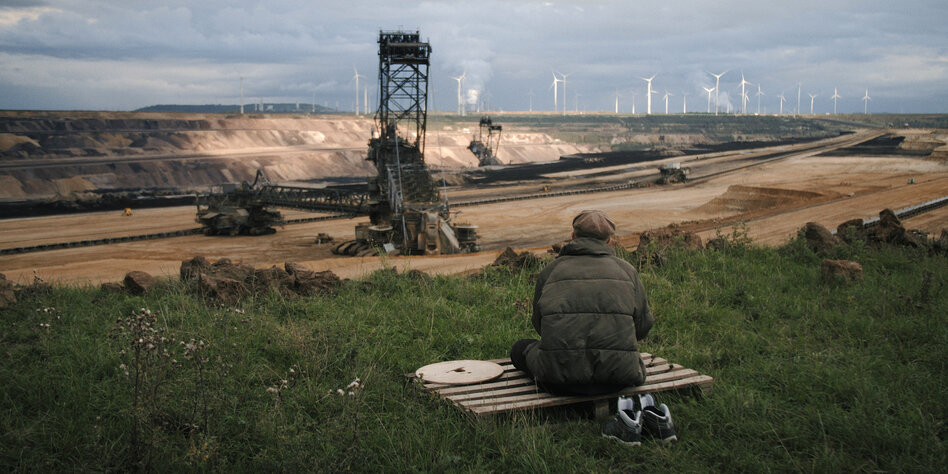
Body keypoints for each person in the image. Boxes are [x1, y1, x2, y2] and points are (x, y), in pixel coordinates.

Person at [509, 209, 653, 395]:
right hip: (619, 379)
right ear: (609, 240)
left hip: (558, 380)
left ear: (572, 236)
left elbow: (540, 326)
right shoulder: (628, 271)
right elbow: (642, 328)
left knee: (520, 349)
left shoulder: (551, 271)